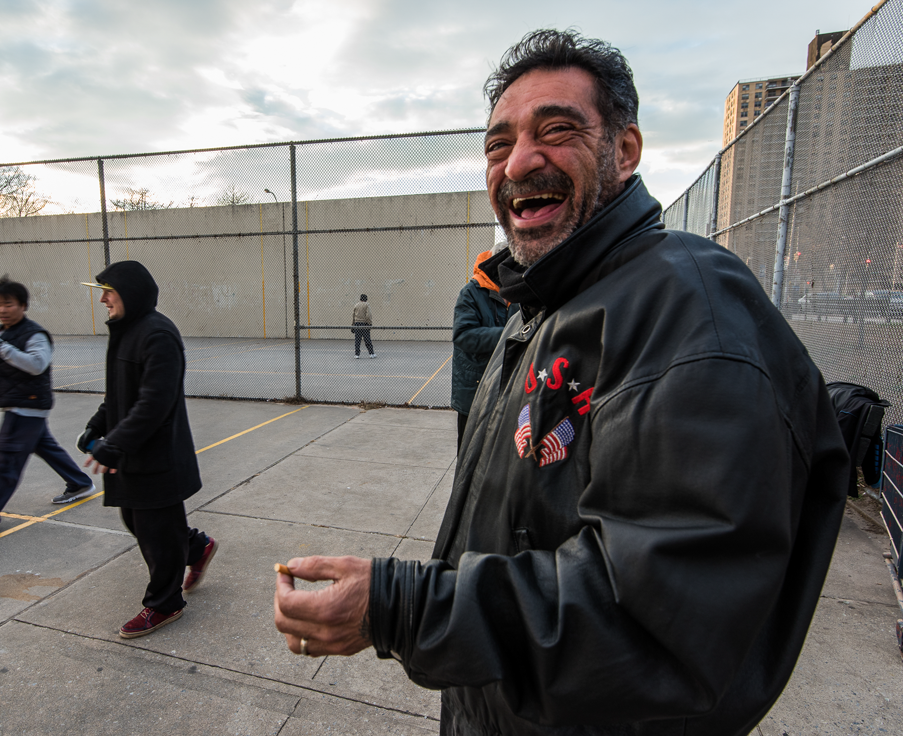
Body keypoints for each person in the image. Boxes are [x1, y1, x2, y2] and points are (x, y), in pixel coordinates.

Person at [274, 29, 848, 736]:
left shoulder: (686, 311)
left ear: (624, 149)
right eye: (498, 143)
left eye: (556, 130)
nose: (519, 161)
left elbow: (654, 625)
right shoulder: (542, 305)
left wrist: (399, 607)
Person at [79, 261, 218, 639]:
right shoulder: (126, 332)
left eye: (109, 291)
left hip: (159, 457)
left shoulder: (158, 335)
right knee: (137, 521)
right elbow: (121, 393)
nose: (104, 299)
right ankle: (196, 546)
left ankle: (165, 603)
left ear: (131, 292)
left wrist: (114, 444)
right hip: (132, 452)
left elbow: (154, 403)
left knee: (156, 530)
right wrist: (97, 425)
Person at [0, 277, 96, 537]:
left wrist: (2, 348)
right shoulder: (2, 332)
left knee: (6, 462)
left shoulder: (35, 334)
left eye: (9, 304)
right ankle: (80, 483)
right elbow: (1, 359)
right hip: (20, 405)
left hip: (26, 407)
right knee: (46, 447)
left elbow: (37, 364)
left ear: (23, 305)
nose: (2, 309)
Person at [451, 243, 515, 453]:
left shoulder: (517, 293)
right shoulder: (472, 292)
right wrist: (510, 335)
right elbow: (464, 335)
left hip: (507, 388)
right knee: (470, 454)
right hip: (475, 389)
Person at [352, 294, 375, 358]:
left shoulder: (356, 305)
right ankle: (371, 353)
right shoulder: (367, 305)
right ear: (366, 299)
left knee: (357, 340)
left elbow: (353, 316)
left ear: (360, 299)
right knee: (367, 339)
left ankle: (357, 354)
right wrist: (369, 323)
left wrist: (353, 325)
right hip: (364, 323)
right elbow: (369, 315)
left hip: (357, 324)